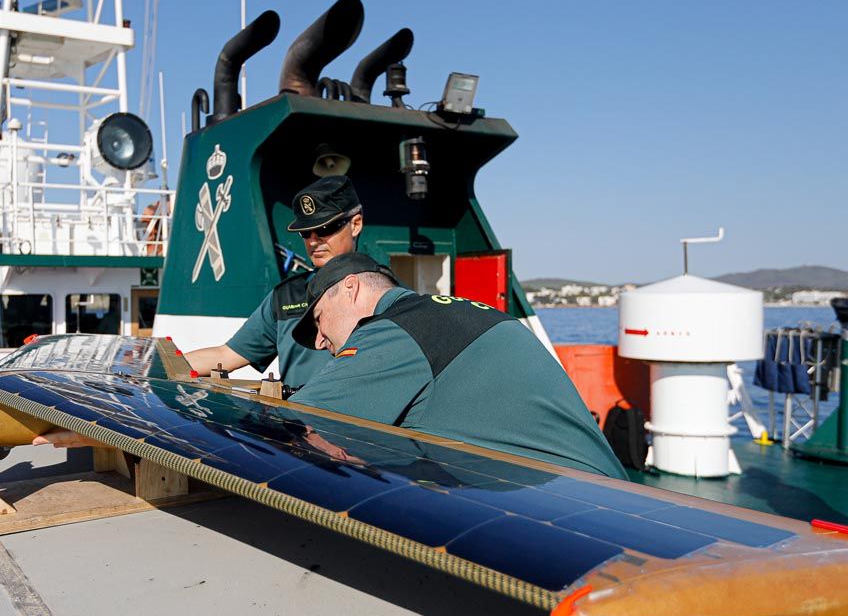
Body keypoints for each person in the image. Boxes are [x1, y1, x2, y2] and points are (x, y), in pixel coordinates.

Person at [288, 253, 628, 479]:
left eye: (319, 319)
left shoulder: (398, 327)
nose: (319, 341)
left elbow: (292, 422)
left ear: (351, 288)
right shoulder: (464, 313)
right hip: (621, 501)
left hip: (574, 517)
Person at [185, 174, 364, 387]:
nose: (314, 241)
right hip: (296, 419)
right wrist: (158, 364)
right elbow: (227, 354)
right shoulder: (286, 297)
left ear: (355, 224)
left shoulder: (387, 295)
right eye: (306, 232)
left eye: (325, 228)